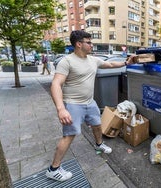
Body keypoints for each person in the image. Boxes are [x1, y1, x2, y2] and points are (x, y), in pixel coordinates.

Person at [45, 30, 136, 182]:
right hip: (73, 104)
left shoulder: (93, 60)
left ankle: (99, 144)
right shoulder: (67, 61)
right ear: (79, 44)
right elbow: (56, 84)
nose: (92, 45)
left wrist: (127, 63)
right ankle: (53, 169)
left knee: (97, 125)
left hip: (90, 102)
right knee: (69, 135)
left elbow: (111, 64)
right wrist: (61, 109)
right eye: (89, 42)